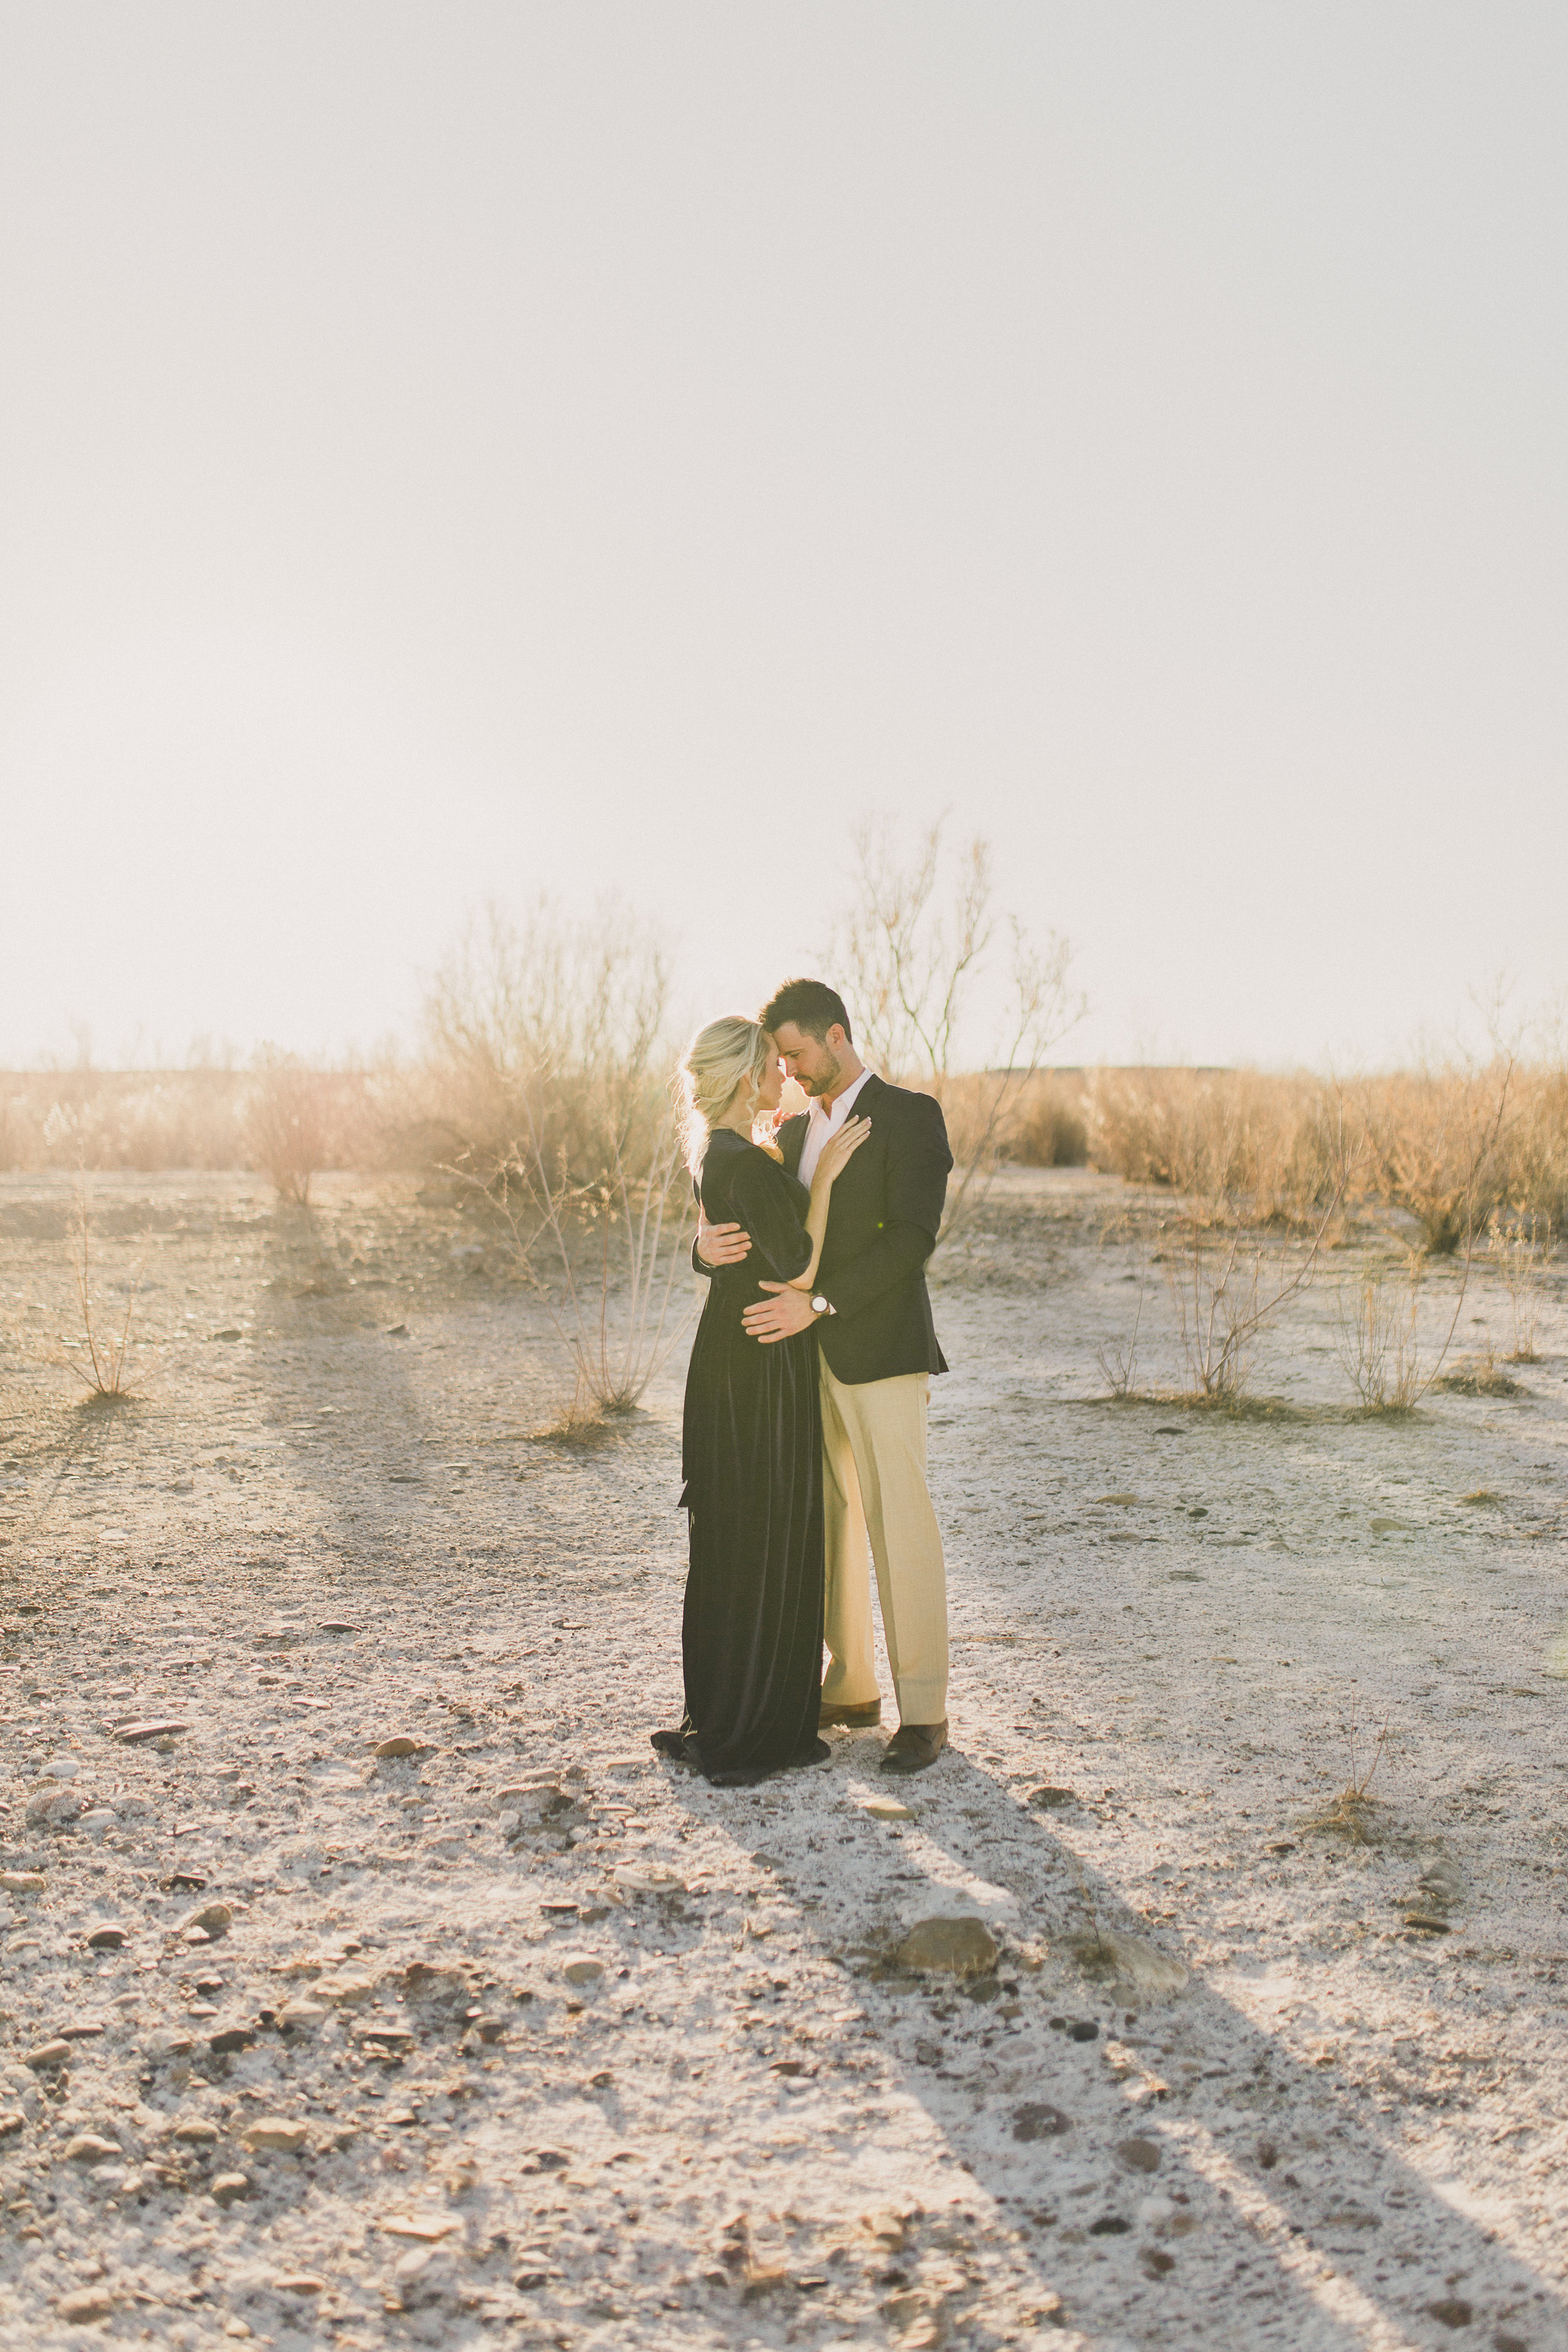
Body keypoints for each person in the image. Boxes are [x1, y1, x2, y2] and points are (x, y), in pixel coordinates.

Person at [696, 979, 954, 1775]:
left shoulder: (912, 1116)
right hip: (799, 1365)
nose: (790, 1070)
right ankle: (848, 1686)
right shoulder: (790, 1134)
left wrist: (822, 1302)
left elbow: (912, 1239)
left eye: (797, 1054)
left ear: (836, 1036)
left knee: (897, 1519)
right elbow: (753, 1219)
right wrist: (699, 1250)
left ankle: (924, 1711)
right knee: (830, 1522)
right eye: (779, 1060)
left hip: (878, 1352)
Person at [659, 1014, 871, 1787]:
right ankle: (754, 1723)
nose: (785, 1073)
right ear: (747, 1076)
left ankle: (727, 1708)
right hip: (761, 1364)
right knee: (765, 1528)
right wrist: (821, 1181)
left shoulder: (714, 1151)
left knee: (733, 1536)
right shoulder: (742, 1162)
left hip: (729, 1357)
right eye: (772, 1066)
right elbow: (798, 1261)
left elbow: (736, 1240)